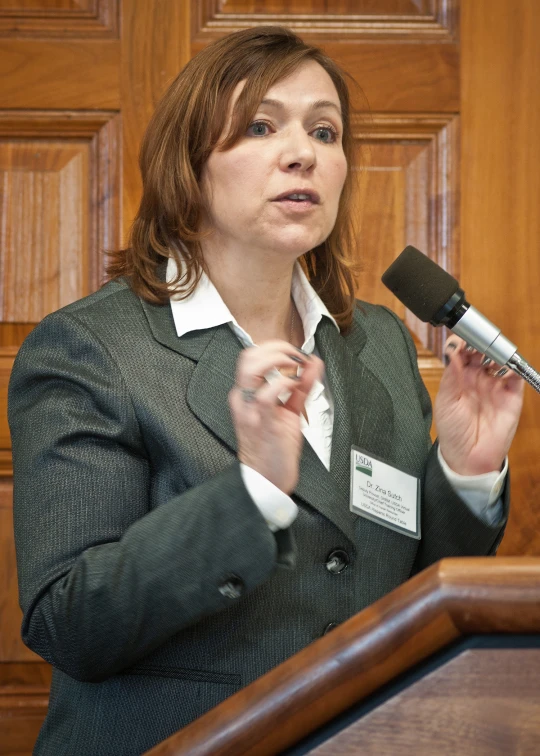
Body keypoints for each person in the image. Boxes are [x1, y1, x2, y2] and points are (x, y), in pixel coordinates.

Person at [8, 25, 524, 756]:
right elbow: (70, 624)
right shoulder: (91, 350)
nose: (303, 152)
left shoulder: (376, 342)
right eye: (260, 126)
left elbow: (404, 587)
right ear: (191, 164)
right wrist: (250, 496)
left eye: (325, 129)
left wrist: (464, 474)